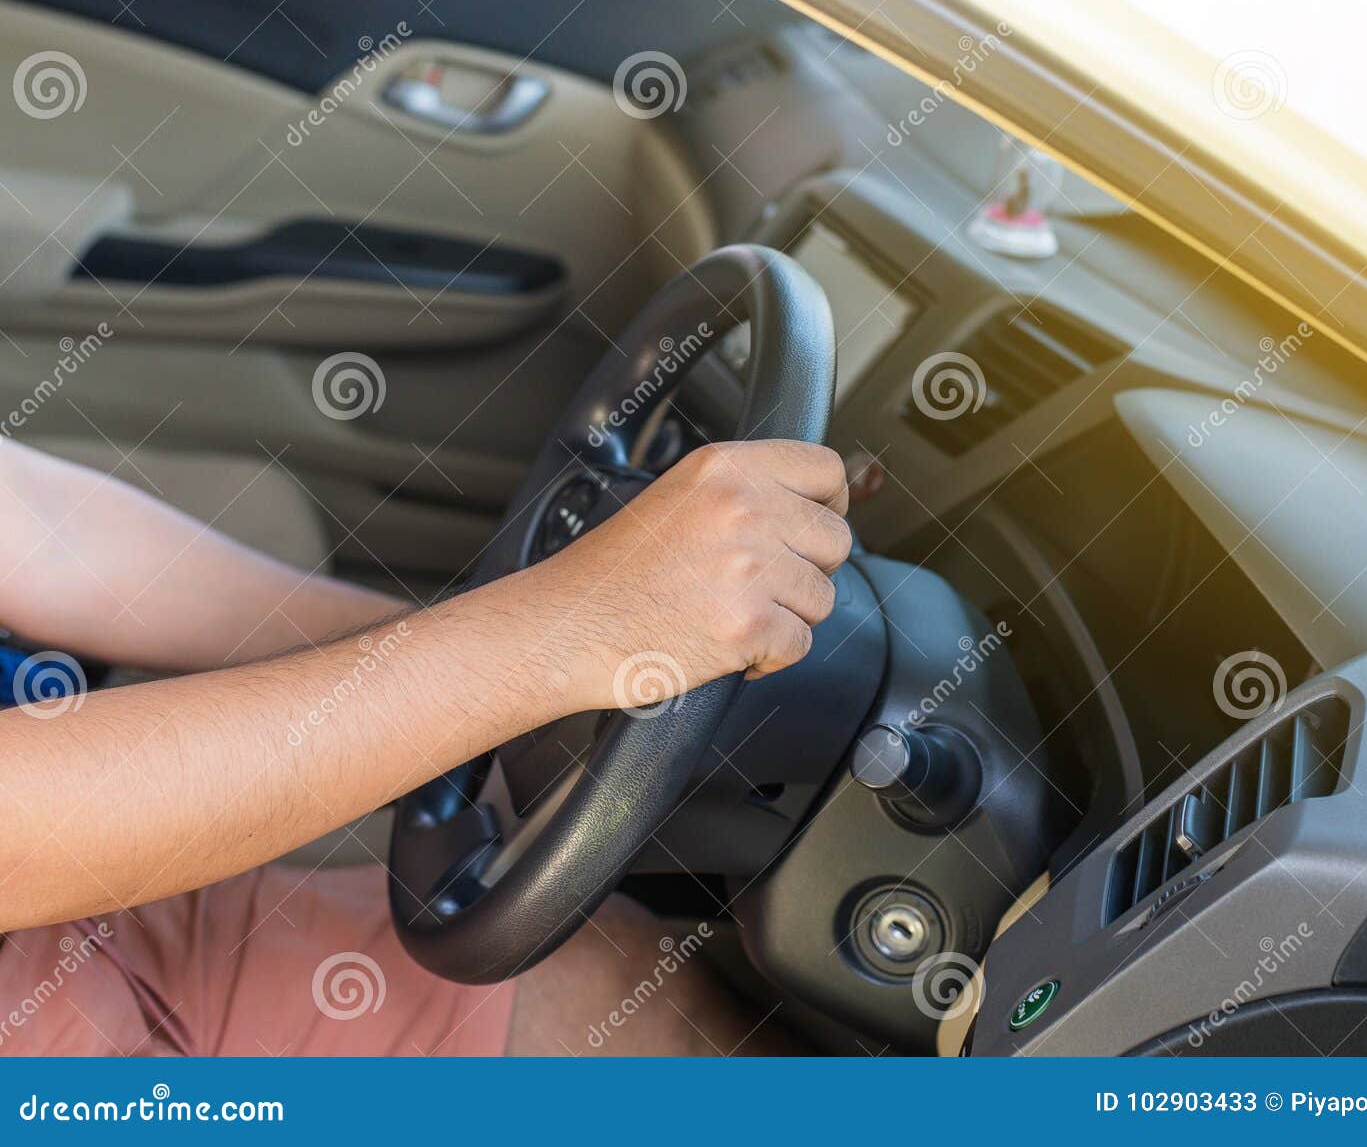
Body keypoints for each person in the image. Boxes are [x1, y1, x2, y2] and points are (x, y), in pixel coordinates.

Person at [0, 436, 851, 1056]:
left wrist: (409, 643)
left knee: (607, 984)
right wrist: (562, 629)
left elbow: (38, 522)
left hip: (66, 930)